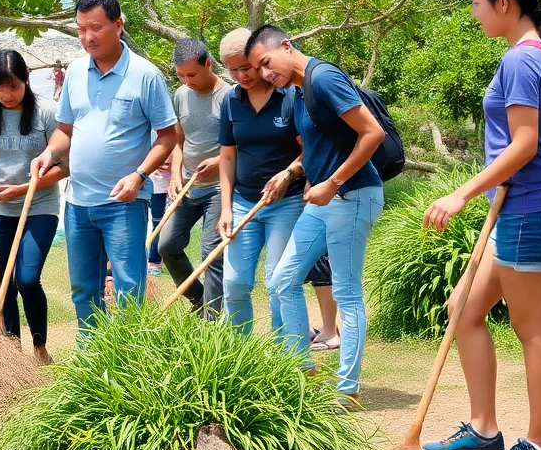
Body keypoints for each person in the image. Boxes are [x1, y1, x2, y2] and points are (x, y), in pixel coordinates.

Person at [421, 0, 541, 450]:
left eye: (474, 2)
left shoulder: (521, 60)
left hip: (534, 208)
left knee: (532, 328)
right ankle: (484, 429)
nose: (473, 12)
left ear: (503, 3)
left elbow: (526, 144)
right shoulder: (538, 54)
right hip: (526, 205)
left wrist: (461, 193)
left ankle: (540, 447)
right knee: (463, 306)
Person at [245, 25, 385, 406]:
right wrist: (291, 173)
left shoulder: (323, 77)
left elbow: (372, 133)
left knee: (346, 291)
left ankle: (347, 389)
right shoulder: (299, 91)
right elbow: (317, 149)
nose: (265, 74)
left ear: (287, 46)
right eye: (259, 70)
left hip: (354, 195)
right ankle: (302, 368)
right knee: (281, 280)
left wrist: (334, 182)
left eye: (267, 63)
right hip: (324, 199)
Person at [32, 0, 176, 331]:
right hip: (78, 203)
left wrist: (139, 176)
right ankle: (93, 367)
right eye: (81, 29)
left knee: (128, 291)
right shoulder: (76, 72)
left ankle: (129, 364)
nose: (87, 37)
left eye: (95, 28)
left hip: (123, 203)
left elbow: (168, 137)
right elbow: (65, 130)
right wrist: (49, 152)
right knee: (84, 292)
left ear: (118, 24)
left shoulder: (145, 75)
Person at [216, 28, 338, 343]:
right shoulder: (231, 101)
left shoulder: (290, 96)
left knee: (277, 282)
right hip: (244, 202)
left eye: (246, 67)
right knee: (235, 283)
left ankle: (284, 355)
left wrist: (288, 173)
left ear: (258, 61)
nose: (241, 75)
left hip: (287, 204)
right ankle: (236, 352)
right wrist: (226, 208)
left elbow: (308, 149)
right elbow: (227, 157)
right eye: (233, 70)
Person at [0, 50, 68, 365]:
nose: (6, 95)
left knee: (27, 279)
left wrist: (25, 188)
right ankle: (13, 354)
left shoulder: (46, 112)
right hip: (1, 210)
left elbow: (65, 166)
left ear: (26, 81)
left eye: (13, 87)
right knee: (5, 285)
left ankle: (40, 348)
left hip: (39, 204)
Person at [156, 39, 230, 315]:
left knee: (212, 255)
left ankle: (211, 323)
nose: (187, 81)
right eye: (181, 75)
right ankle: (199, 299)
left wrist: (219, 160)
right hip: (187, 185)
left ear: (208, 64)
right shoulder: (180, 95)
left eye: (192, 74)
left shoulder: (229, 97)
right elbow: (179, 141)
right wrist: (175, 174)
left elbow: (241, 146)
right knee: (166, 245)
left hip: (219, 188)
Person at [147, 159, 171, 276]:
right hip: (154, 183)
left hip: (177, 181)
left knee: (166, 223)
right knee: (156, 222)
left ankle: (157, 260)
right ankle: (153, 260)